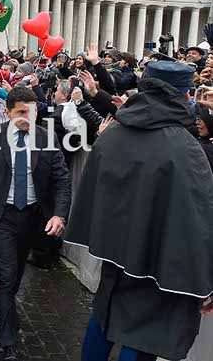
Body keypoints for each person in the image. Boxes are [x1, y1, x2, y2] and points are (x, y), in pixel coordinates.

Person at [65, 61, 213, 361]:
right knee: (142, 335)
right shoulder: (186, 149)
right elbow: (200, 220)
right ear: (183, 95)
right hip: (159, 261)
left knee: (105, 319)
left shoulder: (113, 133)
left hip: (114, 253)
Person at [0, 86, 71, 361]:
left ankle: (8, 315)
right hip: (1, 217)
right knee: (5, 275)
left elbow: (61, 180)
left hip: (33, 218)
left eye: (31, 112)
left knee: (16, 273)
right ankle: (7, 341)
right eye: (21, 112)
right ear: (8, 112)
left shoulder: (47, 138)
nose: (27, 117)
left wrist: (59, 214)